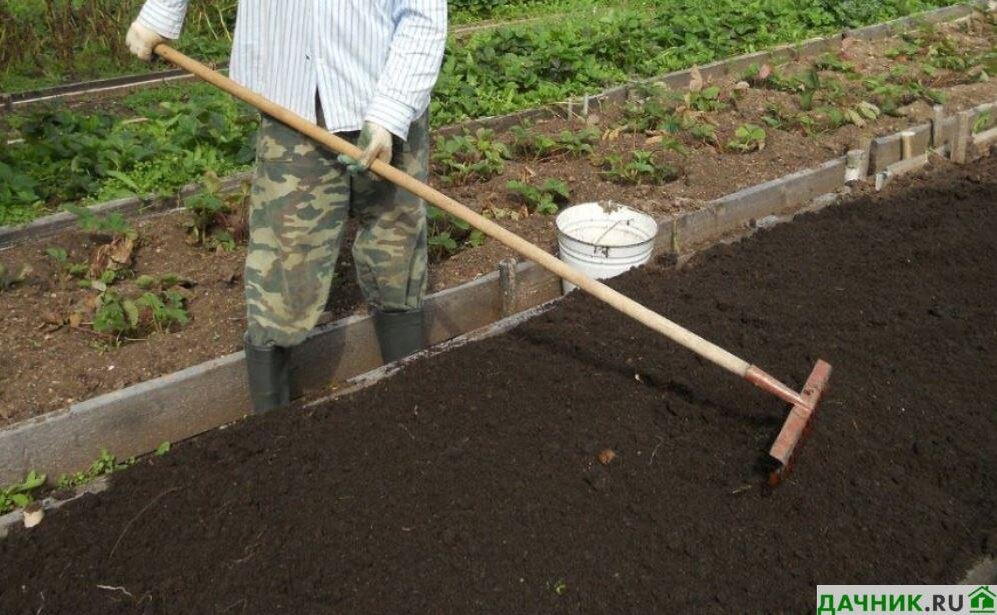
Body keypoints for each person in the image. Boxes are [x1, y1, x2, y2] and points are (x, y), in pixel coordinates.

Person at [126, 1, 448, 413]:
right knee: (285, 253)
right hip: (291, 94)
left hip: (386, 80)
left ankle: (409, 395)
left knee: (395, 242)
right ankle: (272, 428)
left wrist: (391, 112)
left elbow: (423, 13)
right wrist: (161, 13)